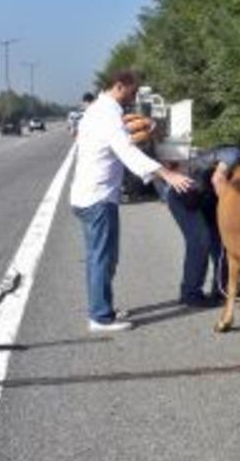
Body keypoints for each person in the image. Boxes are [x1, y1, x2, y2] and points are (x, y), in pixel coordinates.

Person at [70, 70, 192, 332]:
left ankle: (102, 307)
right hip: (97, 198)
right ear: (119, 86)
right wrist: (166, 173)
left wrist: (141, 128)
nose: (134, 97)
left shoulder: (99, 110)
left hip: (90, 195)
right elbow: (126, 151)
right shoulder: (107, 113)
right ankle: (100, 317)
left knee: (102, 258)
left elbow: (117, 138)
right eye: (133, 91)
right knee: (102, 259)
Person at [161, 140, 240, 308]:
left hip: (209, 202)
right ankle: (190, 294)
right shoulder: (235, 154)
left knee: (225, 244)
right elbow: (218, 179)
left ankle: (222, 290)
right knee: (200, 240)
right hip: (186, 197)